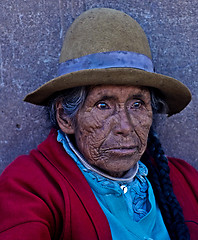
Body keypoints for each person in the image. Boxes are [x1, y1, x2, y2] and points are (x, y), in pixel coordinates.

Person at [0, 8, 197, 240]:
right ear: (65, 117)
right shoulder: (30, 187)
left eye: (137, 104)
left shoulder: (185, 180)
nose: (125, 126)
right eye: (103, 105)